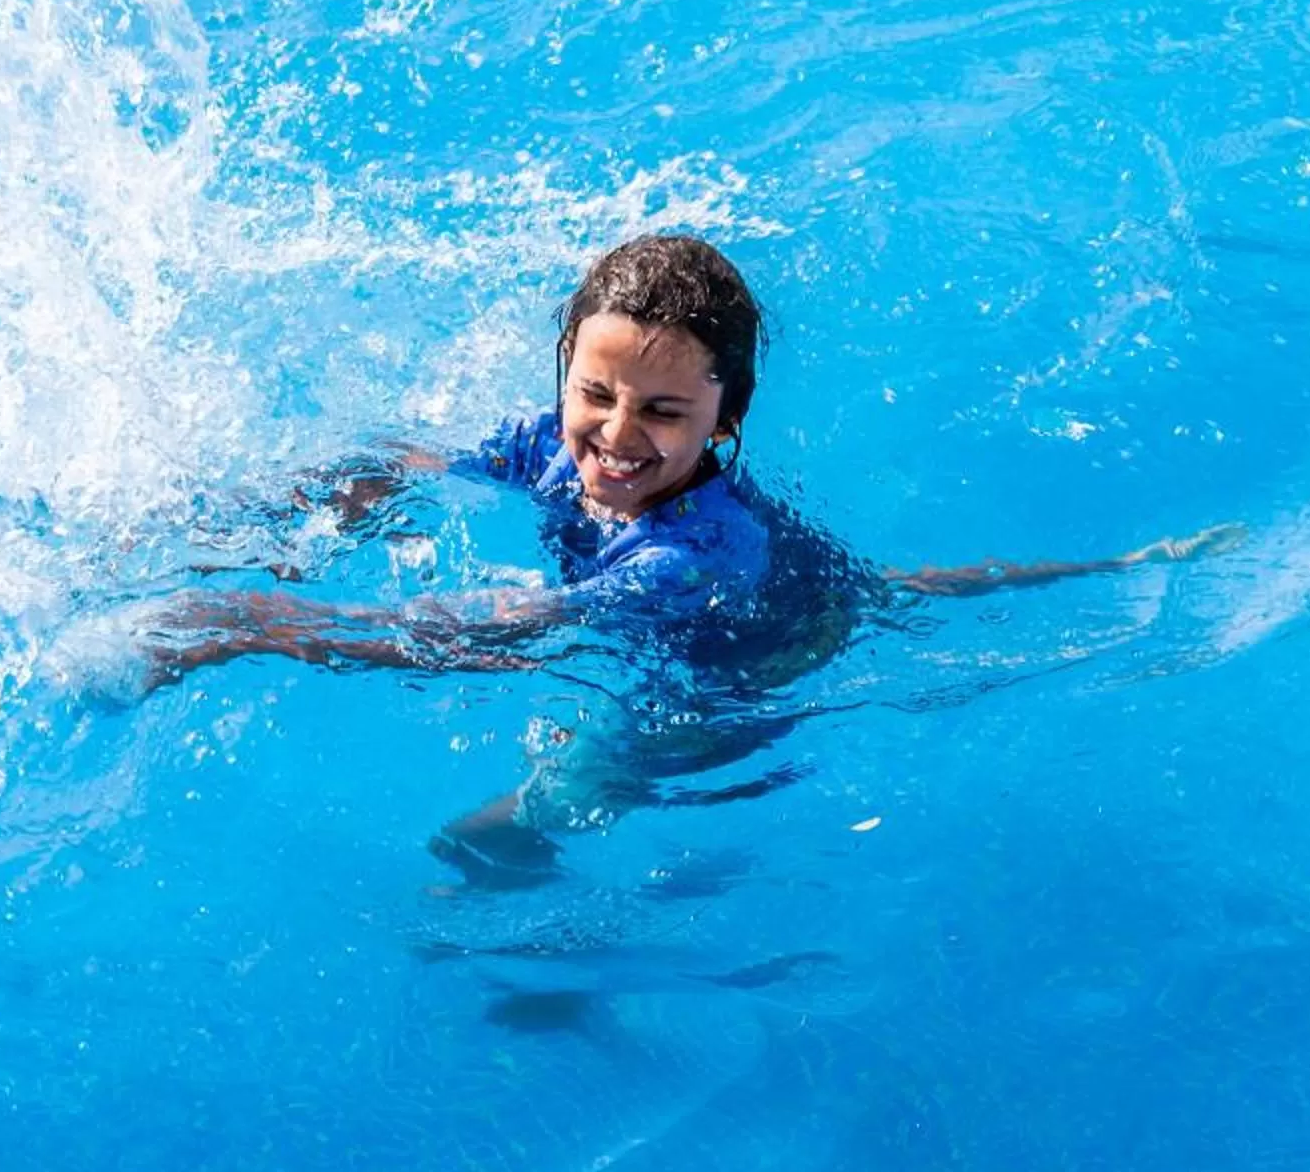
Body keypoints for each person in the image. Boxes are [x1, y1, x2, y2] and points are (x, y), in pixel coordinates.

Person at [124, 233, 1233, 878]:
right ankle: (1125, 559)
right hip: (805, 586)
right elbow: (406, 455)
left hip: (738, 676)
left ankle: (547, 968)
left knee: (510, 828)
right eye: (593, 393)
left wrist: (243, 629)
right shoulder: (564, 439)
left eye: (661, 410)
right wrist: (280, 520)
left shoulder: (690, 555)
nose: (613, 435)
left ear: (724, 420)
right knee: (892, 590)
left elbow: (482, 635)